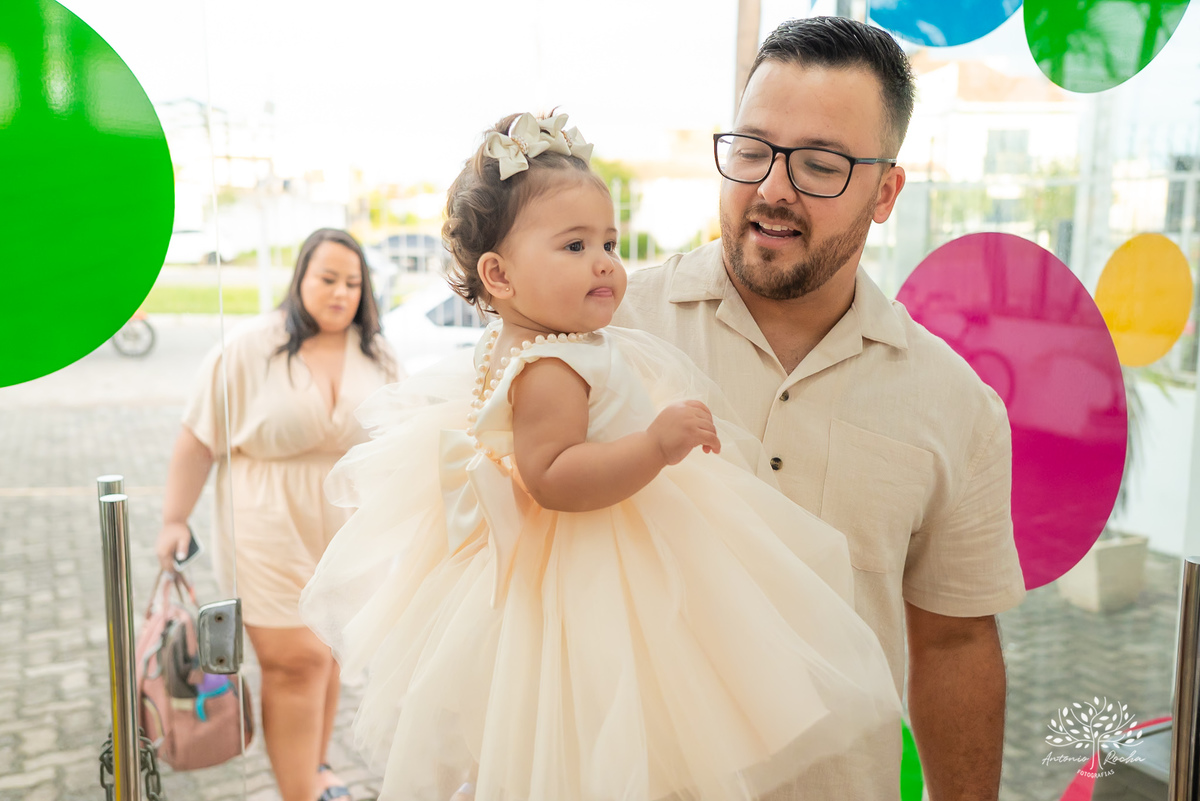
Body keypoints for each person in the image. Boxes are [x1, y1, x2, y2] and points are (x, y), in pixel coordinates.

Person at [299, 112, 901, 801]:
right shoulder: (553, 365)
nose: (606, 262)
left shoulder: (539, 342)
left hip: (575, 559)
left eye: (609, 242)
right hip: (594, 565)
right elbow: (552, 477)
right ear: (498, 274)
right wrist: (653, 445)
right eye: (575, 244)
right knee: (615, 721)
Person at [612, 16, 1026, 800]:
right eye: (753, 150)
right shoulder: (612, 332)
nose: (772, 189)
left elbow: (954, 643)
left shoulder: (955, 405)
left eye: (819, 165)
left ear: (886, 192)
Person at [155, 228, 400, 801]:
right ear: (300, 279)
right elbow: (197, 438)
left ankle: (314, 770)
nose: (340, 293)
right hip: (266, 521)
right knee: (296, 662)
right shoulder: (248, 347)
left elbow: (405, 438)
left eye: (352, 283)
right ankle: (299, 792)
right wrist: (174, 518)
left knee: (331, 652)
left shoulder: (378, 353)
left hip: (347, 529)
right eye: (327, 279)